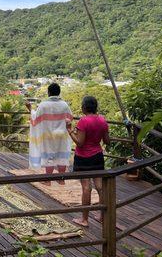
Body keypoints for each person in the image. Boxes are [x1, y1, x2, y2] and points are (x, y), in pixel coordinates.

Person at [66, 96, 110, 227]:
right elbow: (107, 141)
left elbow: (80, 143)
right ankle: (102, 216)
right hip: (97, 156)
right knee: (100, 187)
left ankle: (84, 219)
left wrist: (69, 130)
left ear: (84, 107)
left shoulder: (83, 121)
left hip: (83, 158)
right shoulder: (102, 120)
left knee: (86, 188)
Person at [25, 83, 73, 185]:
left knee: (49, 157)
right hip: (61, 135)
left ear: (49, 92)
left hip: (47, 135)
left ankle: (48, 180)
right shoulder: (64, 105)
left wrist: (30, 108)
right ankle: (61, 179)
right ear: (59, 92)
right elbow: (70, 118)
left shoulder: (43, 105)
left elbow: (35, 118)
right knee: (62, 156)